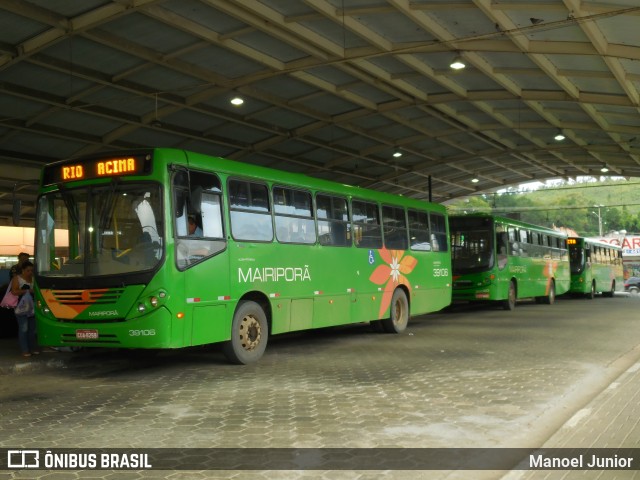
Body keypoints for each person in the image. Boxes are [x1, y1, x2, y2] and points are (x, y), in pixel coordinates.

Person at [11, 260, 38, 357]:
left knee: (33, 329)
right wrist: (27, 290)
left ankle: (32, 348)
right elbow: (14, 291)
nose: (30, 272)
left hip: (33, 307)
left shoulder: (34, 279)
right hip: (21, 307)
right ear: (23, 270)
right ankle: (25, 350)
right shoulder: (17, 279)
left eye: (31, 270)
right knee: (24, 328)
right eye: (28, 270)